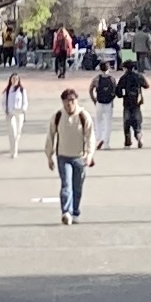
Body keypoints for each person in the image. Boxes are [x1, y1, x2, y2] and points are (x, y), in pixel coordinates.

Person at [45, 90, 95, 223]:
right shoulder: (58, 116)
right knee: (66, 185)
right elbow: (51, 136)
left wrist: (89, 155)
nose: (70, 104)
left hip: (79, 157)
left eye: (72, 101)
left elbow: (90, 137)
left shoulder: (84, 116)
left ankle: (75, 211)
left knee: (77, 187)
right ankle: (66, 212)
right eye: (67, 101)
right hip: (63, 156)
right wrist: (49, 156)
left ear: (76, 101)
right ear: (63, 102)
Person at [117, 61, 149, 147]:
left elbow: (118, 91)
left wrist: (121, 95)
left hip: (127, 102)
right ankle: (139, 137)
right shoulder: (138, 76)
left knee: (127, 122)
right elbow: (146, 85)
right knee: (137, 121)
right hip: (137, 102)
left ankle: (128, 140)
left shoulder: (123, 78)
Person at [89, 65, 119, 152]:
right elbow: (115, 90)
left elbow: (91, 88)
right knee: (108, 123)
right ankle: (106, 142)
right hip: (109, 103)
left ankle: (99, 139)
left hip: (99, 102)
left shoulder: (97, 78)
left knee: (98, 122)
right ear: (108, 68)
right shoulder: (112, 79)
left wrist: (94, 100)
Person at [3, 72, 30, 158]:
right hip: (10, 113)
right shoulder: (7, 91)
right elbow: (3, 102)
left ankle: (15, 146)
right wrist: (6, 110)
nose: (14, 80)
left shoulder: (22, 90)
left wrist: (23, 109)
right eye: (13, 79)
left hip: (19, 113)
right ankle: (13, 151)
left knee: (18, 132)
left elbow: (25, 102)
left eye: (16, 79)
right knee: (12, 132)